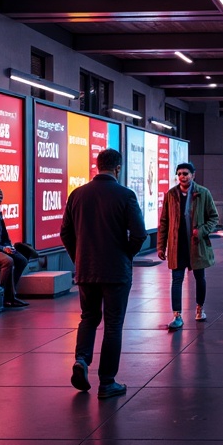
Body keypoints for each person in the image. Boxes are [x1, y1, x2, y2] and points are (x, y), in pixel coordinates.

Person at [60, 148, 146, 398]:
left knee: (88, 318)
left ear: (97, 166)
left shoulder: (77, 194)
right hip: (116, 271)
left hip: (86, 269)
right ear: (118, 168)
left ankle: (81, 361)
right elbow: (139, 234)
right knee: (113, 324)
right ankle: (107, 382)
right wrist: (126, 254)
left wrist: (79, 257)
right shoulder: (125, 195)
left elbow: (65, 232)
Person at [158, 162, 220, 330]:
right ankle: (177, 315)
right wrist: (161, 246)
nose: (182, 177)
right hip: (177, 246)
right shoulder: (171, 194)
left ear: (193, 175)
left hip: (196, 245)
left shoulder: (203, 193)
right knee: (176, 280)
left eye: (185, 173)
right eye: (179, 174)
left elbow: (213, 217)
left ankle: (200, 308)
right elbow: (164, 221)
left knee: (200, 278)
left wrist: (201, 231)